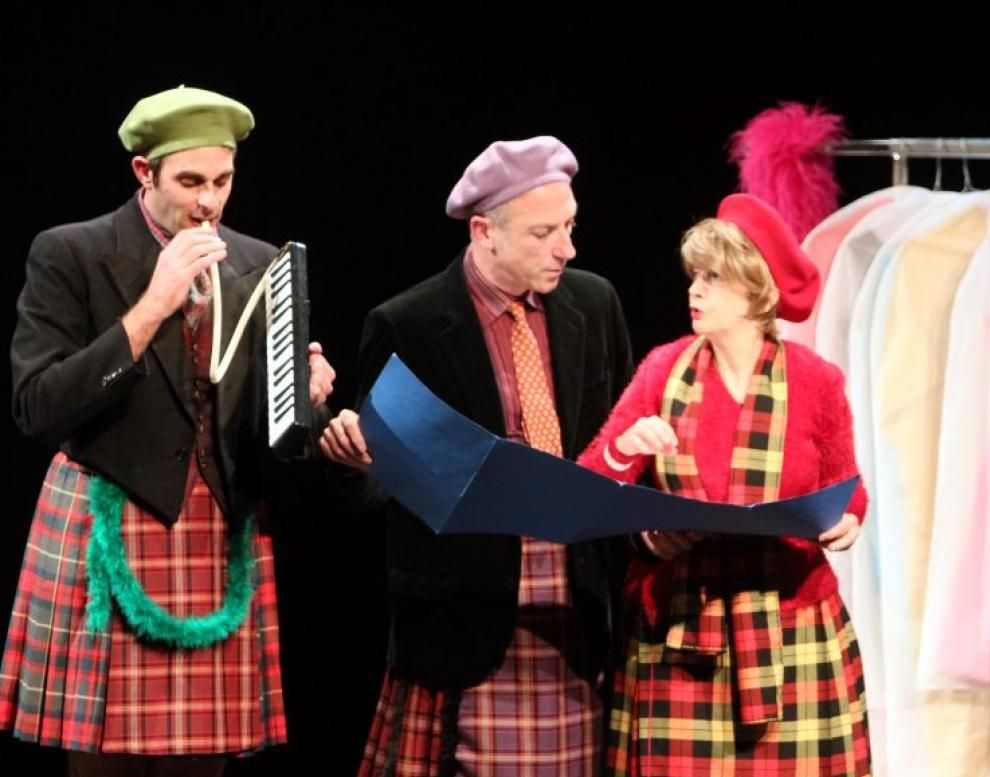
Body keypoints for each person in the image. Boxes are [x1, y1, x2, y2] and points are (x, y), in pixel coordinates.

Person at [0, 85, 336, 776]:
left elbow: (276, 435)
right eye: (189, 182)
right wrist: (152, 305)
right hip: (109, 515)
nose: (208, 201)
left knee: (202, 761)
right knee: (106, 762)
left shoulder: (258, 261)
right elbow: (38, 406)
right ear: (143, 172)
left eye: (222, 180)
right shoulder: (73, 252)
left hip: (216, 527)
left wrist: (307, 400)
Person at [319, 136, 634, 776]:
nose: (567, 249)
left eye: (570, 227)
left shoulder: (594, 303)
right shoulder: (409, 323)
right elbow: (378, 487)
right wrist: (354, 459)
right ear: (484, 231)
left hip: (573, 608)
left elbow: (618, 438)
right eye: (544, 233)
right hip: (466, 615)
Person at [578, 192, 871, 777]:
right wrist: (626, 450)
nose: (695, 291)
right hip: (683, 630)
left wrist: (848, 519)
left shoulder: (815, 380)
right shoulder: (665, 369)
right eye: (695, 276)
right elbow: (590, 489)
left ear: (755, 288)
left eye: (713, 278)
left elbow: (848, 486)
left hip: (790, 629)